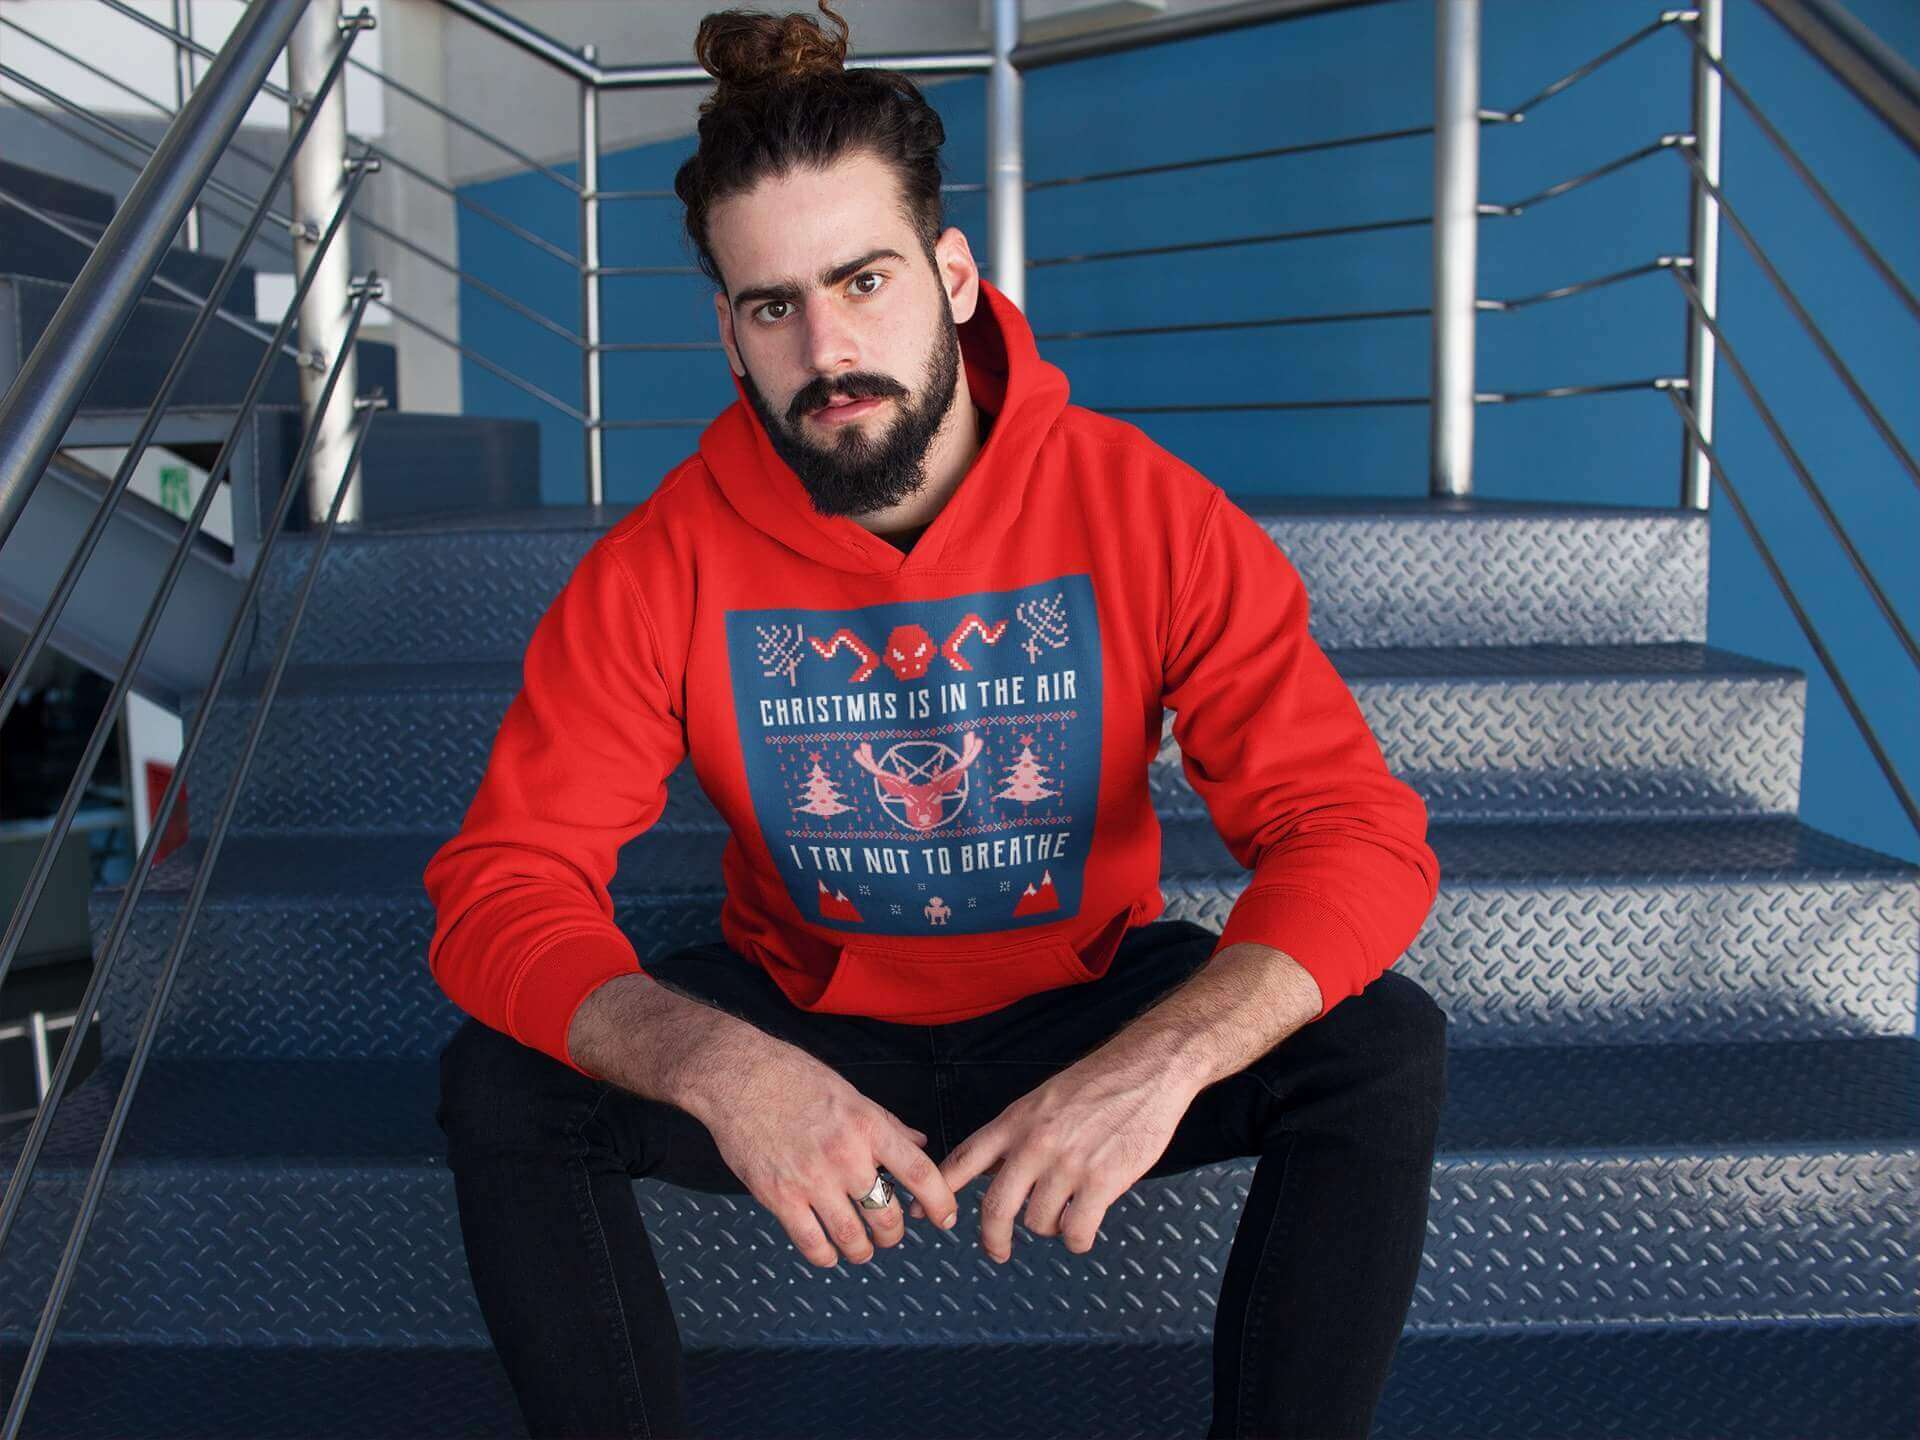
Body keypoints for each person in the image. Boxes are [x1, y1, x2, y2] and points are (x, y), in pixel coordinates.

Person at [425, 4, 1447, 1436]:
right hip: (806, 1016)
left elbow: (1352, 831)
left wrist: (1163, 1060)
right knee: (502, 1088)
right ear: (728, 333)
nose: (828, 348)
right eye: (774, 305)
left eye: (864, 279)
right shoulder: (661, 562)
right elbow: (501, 889)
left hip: (1085, 1002)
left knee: (1378, 1047)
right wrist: (717, 1065)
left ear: (953, 275)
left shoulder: (1144, 511)